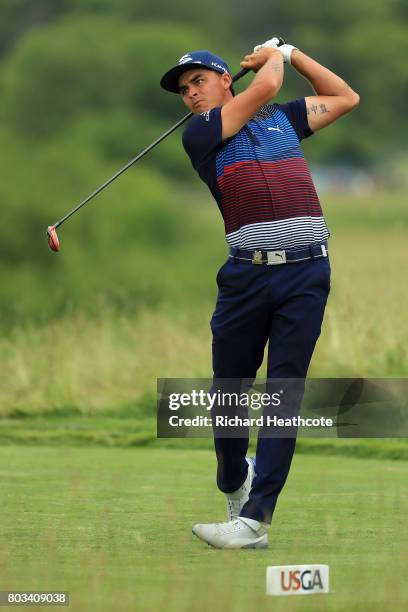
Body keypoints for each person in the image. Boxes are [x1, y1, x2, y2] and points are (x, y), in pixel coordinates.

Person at [160, 39, 359, 549]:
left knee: (283, 394)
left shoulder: (283, 121)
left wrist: (292, 52)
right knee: (228, 390)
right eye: (184, 90)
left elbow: (343, 97)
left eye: (198, 81)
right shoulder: (201, 134)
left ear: (226, 79)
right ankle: (233, 478)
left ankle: (254, 521)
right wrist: (271, 57)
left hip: (306, 274)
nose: (191, 95)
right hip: (245, 279)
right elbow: (267, 83)